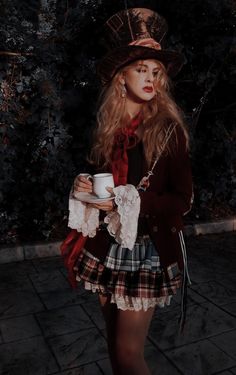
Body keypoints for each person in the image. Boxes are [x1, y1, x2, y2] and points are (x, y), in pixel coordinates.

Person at [66, 8, 193, 375]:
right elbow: (105, 182)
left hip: (146, 249)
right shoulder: (111, 130)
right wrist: (85, 185)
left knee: (128, 355)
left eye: (156, 72)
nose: (151, 77)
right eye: (142, 69)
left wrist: (129, 202)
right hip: (107, 247)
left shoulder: (169, 130)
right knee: (114, 351)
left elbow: (182, 200)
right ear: (121, 78)